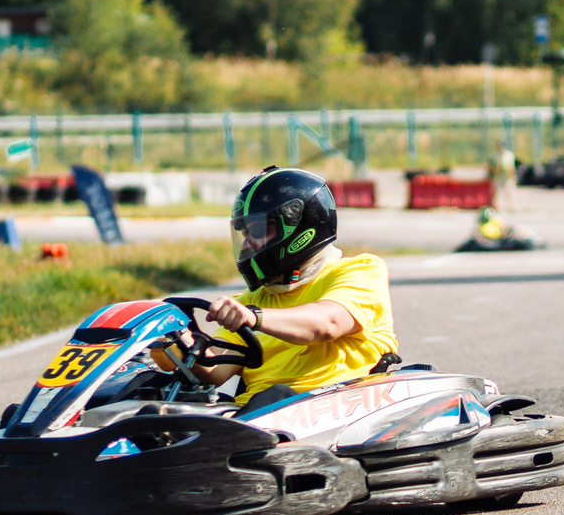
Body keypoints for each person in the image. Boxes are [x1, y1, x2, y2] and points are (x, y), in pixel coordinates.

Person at [152, 166, 398, 402]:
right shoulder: (249, 301)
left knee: (274, 396)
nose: (248, 244)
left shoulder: (360, 270)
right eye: (245, 234)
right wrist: (175, 340)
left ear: (298, 226)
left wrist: (255, 318)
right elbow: (214, 372)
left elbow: (327, 324)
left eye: (257, 231)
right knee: (153, 392)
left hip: (329, 407)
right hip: (256, 418)